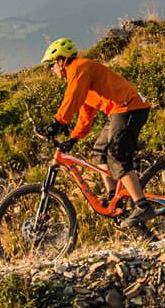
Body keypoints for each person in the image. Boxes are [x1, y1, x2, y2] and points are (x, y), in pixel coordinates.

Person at [39, 38, 157, 227]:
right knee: (100, 151)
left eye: (51, 65)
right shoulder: (79, 75)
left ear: (61, 61)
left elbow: (73, 97)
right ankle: (114, 198)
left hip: (129, 108)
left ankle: (142, 206)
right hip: (120, 111)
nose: (51, 70)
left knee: (117, 157)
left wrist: (58, 121)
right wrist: (74, 138)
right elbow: (85, 112)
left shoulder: (79, 68)